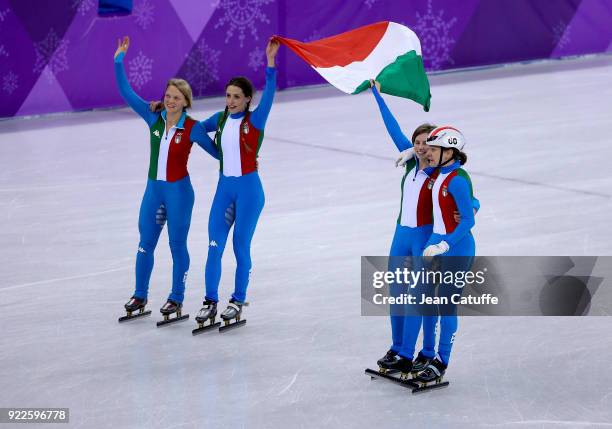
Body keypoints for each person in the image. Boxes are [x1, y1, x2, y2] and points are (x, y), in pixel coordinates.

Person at [369, 81, 479, 379]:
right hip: (407, 237)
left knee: (433, 302)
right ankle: (403, 351)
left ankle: (431, 356)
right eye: (417, 143)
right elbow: (392, 129)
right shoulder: (416, 167)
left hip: (430, 241)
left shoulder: (440, 172)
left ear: (438, 149)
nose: (421, 148)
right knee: (402, 295)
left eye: (427, 145)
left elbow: (466, 198)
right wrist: (377, 93)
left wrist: (473, 207)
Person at [113, 36, 219, 321]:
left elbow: (219, 154)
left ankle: (176, 298)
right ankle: (139, 294)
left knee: (176, 245)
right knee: (145, 242)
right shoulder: (154, 119)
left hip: (179, 194)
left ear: (186, 102)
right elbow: (126, 92)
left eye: (176, 97)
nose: (170, 100)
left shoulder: (194, 129)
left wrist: (242, 151)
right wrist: (119, 60)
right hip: (154, 192)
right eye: (168, 95)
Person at [193, 38, 280, 327]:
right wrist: (166, 110)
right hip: (224, 190)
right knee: (214, 245)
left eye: (236, 97)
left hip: (249, 192)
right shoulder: (219, 119)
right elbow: (193, 131)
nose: (230, 101)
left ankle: (237, 299)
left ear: (247, 100)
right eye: (228, 96)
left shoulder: (254, 122)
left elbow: (269, 95)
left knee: (240, 246)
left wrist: (269, 63)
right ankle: (210, 302)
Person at [415, 125, 477, 384]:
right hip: (435, 242)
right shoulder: (438, 172)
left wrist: (445, 245)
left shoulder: (459, 179)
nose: (428, 152)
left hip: (456, 248)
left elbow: (468, 222)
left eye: (435, 149)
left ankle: (442, 360)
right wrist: (411, 152)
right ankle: (427, 352)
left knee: (446, 306)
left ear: (450, 151)